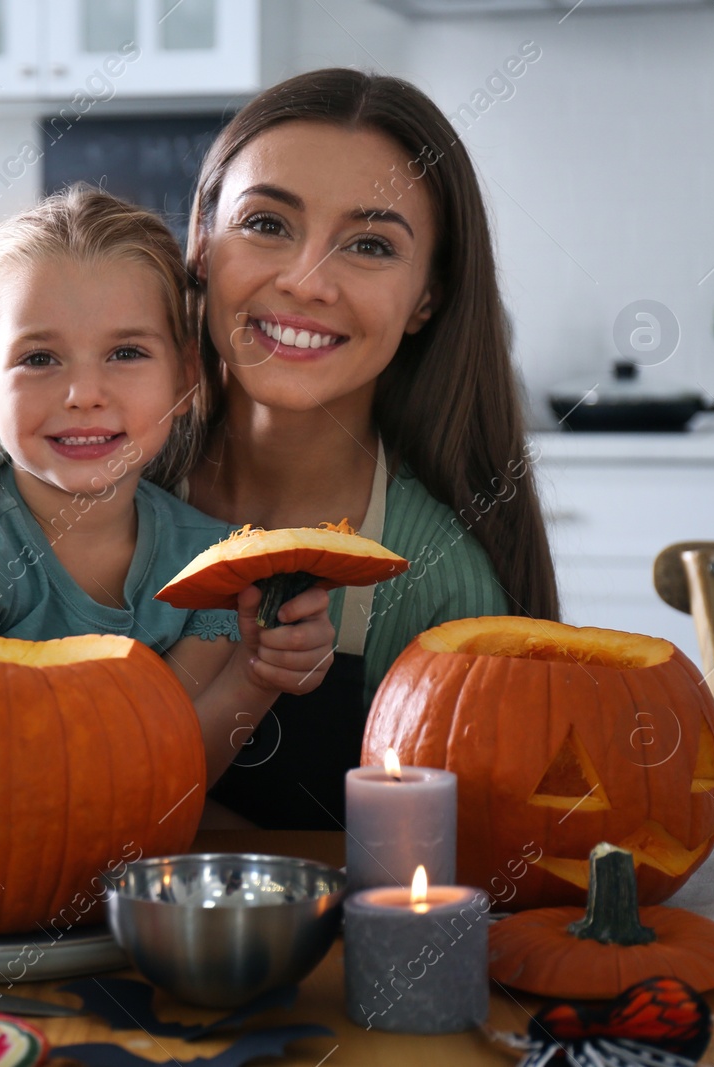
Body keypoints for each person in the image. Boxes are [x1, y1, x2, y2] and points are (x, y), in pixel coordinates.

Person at [0, 185, 335, 783]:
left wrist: (257, 670)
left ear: (186, 376)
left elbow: (161, 765)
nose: (84, 393)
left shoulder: (212, 561)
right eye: (39, 359)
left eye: (126, 352)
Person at [184, 69, 561, 830]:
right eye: (266, 224)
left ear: (428, 296)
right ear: (200, 242)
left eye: (368, 244)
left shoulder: (437, 582)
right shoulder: (91, 485)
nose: (306, 281)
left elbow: (439, 880)